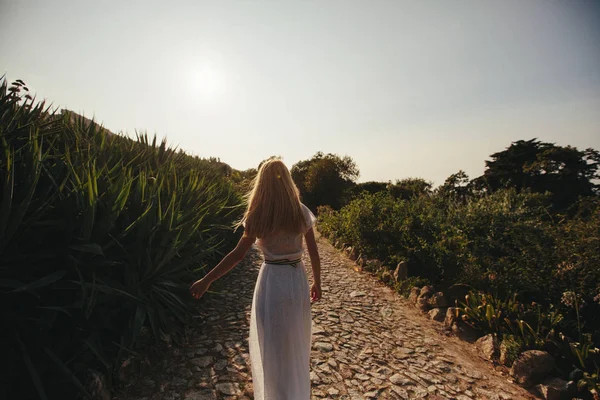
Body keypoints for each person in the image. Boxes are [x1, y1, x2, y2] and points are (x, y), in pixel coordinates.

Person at [189, 158, 322, 400]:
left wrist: (207, 280)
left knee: (271, 342)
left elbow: (237, 256)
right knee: (295, 341)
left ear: (262, 184)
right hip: (295, 281)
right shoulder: (300, 211)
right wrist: (317, 282)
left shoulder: (258, 215)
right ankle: (295, 393)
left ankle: (274, 394)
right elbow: (313, 252)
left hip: (271, 281)